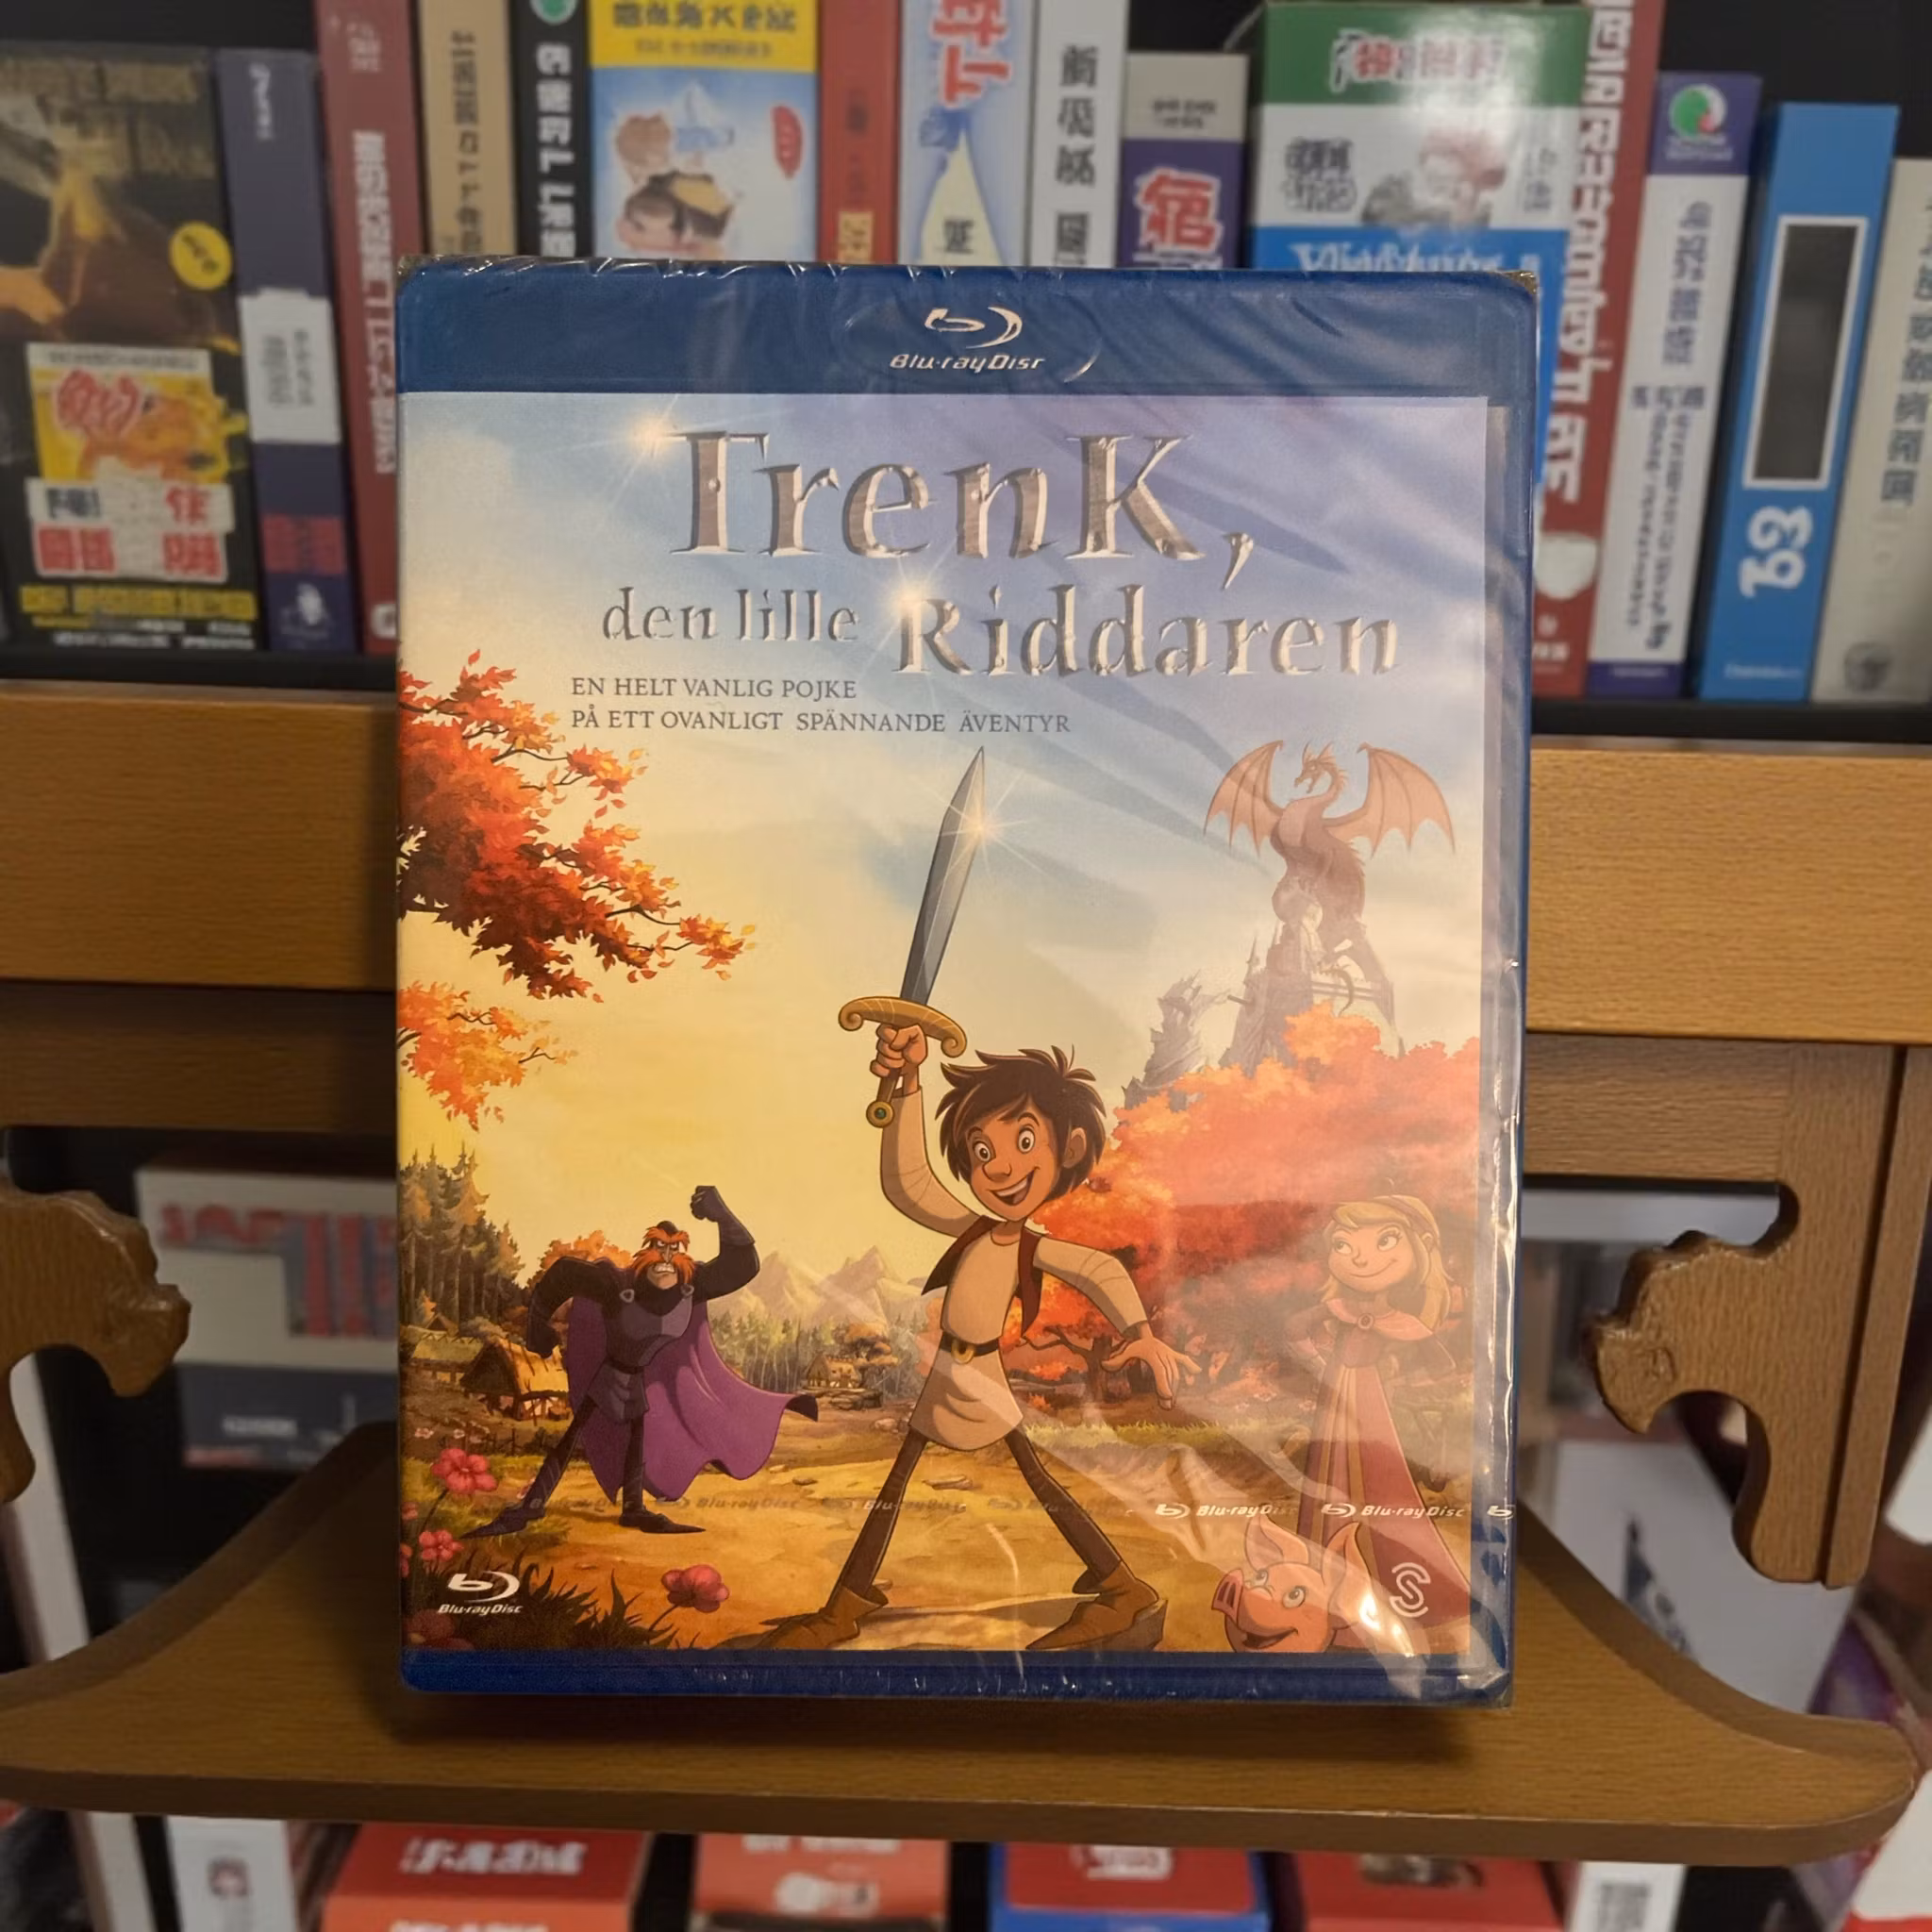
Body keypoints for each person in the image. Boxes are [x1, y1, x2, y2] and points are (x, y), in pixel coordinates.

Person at [753, 1029, 1198, 1651]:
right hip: (953, 1373)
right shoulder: (973, 1227)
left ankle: (1123, 1590)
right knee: (927, 1476)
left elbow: (1099, 1269)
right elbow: (908, 1182)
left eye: (1023, 1141)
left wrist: (1140, 1334)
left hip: (978, 1375)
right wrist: (908, 1083)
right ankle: (848, 1604)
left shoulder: (1030, 1245)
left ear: (1070, 1148)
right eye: (982, 1150)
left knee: (1018, 1478)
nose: (1000, 1167)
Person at [472, 1185, 813, 1537]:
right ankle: (531, 1506)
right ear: (646, 1252)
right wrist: (538, 1328)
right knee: (575, 1435)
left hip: (637, 1377)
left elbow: (743, 1265)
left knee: (637, 1436)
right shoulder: (616, 1284)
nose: (666, 1257)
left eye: (674, 1249)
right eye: (658, 1247)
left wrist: (721, 1213)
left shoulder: (690, 1286)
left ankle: (633, 1508)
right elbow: (564, 1275)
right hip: (608, 1374)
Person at [1285, 1195, 1469, 1637]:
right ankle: (1325, 1586)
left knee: (1379, 1477)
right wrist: (1317, 1360)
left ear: (1419, 1249)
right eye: (1343, 1245)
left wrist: (1401, 1376)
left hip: (1370, 1400)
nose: (1360, 1258)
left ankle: (1385, 1583)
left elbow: (1440, 1363)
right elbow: (1294, 1329)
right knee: (1331, 1476)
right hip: (1338, 1396)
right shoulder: (1339, 1309)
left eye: (1385, 1241)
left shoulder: (1401, 1321)